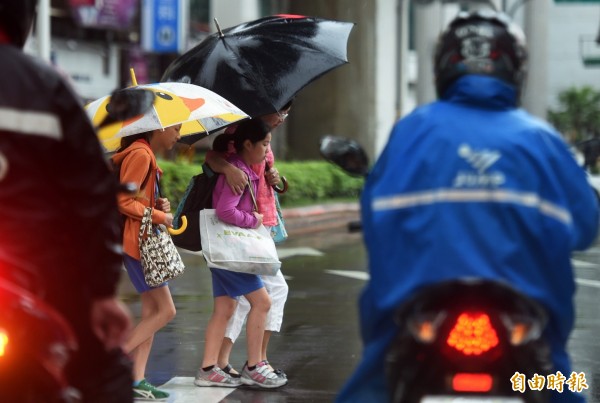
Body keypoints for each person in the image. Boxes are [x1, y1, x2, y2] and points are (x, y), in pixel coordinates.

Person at [337, 10, 598, 403]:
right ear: (515, 68)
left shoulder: (412, 131)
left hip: (415, 313)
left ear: (443, 65)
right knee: (561, 383)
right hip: (526, 321)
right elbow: (585, 227)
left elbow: (374, 219)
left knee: (372, 384)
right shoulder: (542, 140)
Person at [0, 1, 133, 402]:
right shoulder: (43, 84)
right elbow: (90, 196)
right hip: (39, 278)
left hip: (27, 286)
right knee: (104, 374)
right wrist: (102, 292)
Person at [194, 118, 287, 389]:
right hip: (233, 253)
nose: (267, 150)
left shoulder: (247, 168)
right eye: (265, 144)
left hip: (223, 252)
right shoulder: (238, 170)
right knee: (263, 302)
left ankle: (208, 369)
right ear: (248, 144)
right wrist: (253, 220)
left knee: (225, 307)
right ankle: (255, 366)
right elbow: (225, 211)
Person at [111, 125, 181, 401]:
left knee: (152, 312)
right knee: (166, 311)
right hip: (138, 245)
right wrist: (157, 215)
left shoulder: (144, 152)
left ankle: (136, 379)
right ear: (159, 128)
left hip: (138, 242)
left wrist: (157, 206)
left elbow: (137, 198)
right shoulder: (141, 153)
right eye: (175, 129)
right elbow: (123, 200)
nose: (178, 136)